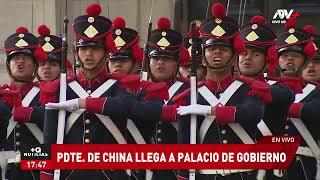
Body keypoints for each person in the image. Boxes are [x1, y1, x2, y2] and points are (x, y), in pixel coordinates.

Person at [40, 4, 130, 180]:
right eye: (83, 48)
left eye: (95, 49)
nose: (88, 54)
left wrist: (85, 103)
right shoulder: (61, 88)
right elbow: (50, 139)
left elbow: (126, 107)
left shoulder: (118, 86)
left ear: (106, 52)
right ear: (76, 51)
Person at [176, 3, 267, 180]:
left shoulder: (249, 89)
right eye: (211, 49)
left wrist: (210, 110)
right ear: (202, 58)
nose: (217, 52)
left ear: (234, 58)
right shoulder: (191, 95)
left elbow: (253, 113)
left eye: (224, 49)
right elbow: (184, 144)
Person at [238, 15, 295, 179]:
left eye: (256, 54)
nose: (248, 57)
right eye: (243, 52)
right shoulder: (223, 88)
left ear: (267, 59)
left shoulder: (279, 90)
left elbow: (282, 97)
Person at [275, 17, 320, 180]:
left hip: (304, 167)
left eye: (295, 55)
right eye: (285, 55)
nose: (289, 59)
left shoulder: (315, 91)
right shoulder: (267, 88)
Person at [1, 26, 47, 180]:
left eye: (26, 58)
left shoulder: (46, 95)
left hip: (37, 170)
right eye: (15, 58)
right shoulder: (1, 97)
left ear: (35, 65)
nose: (20, 61)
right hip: (7, 171)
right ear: (9, 65)